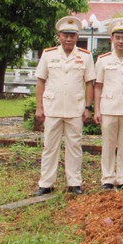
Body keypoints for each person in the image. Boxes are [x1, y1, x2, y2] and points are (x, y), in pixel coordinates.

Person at [33, 16, 96, 196]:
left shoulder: (85, 56)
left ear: (77, 37)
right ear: (59, 36)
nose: (69, 39)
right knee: (49, 147)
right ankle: (46, 183)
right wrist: (39, 107)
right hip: (52, 108)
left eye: (72, 35)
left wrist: (88, 108)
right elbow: (40, 81)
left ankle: (74, 183)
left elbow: (89, 84)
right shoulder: (49, 54)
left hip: (75, 109)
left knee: (74, 147)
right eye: (65, 35)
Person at [94, 18, 123, 191]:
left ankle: (122, 177)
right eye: (117, 37)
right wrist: (96, 110)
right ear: (111, 39)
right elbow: (98, 86)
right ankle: (107, 178)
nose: (121, 41)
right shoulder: (103, 60)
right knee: (108, 144)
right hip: (109, 108)